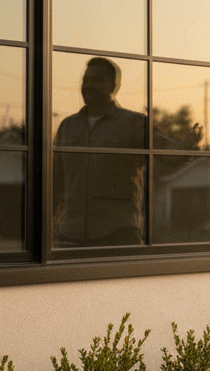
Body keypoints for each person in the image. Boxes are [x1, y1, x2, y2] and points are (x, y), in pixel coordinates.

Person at [53, 57, 150, 247]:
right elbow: (55, 182)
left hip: (117, 235)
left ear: (113, 86)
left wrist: (187, 145)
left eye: (96, 80)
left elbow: (168, 153)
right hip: (70, 235)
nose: (88, 85)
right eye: (85, 80)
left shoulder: (134, 123)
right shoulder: (67, 126)